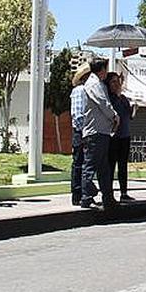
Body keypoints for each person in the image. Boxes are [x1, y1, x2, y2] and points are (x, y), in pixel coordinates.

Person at [81, 66, 119, 209]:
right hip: (95, 132)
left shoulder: (98, 84)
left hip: (102, 131)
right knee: (90, 166)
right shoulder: (94, 84)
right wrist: (114, 116)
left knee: (104, 168)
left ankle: (107, 198)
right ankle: (87, 197)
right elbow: (103, 103)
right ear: (101, 70)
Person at [106, 73, 136, 202]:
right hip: (113, 136)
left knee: (123, 165)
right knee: (111, 165)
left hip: (125, 135)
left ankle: (124, 193)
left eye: (118, 81)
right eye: (113, 82)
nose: (117, 84)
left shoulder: (123, 98)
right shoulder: (108, 98)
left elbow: (130, 115)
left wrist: (134, 108)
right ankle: (109, 193)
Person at [69, 62, 92, 206]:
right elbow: (78, 115)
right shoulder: (80, 90)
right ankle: (77, 193)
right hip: (81, 132)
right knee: (79, 163)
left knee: (85, 164)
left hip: (86, 131)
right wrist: (85, 131)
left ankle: (85, 192)